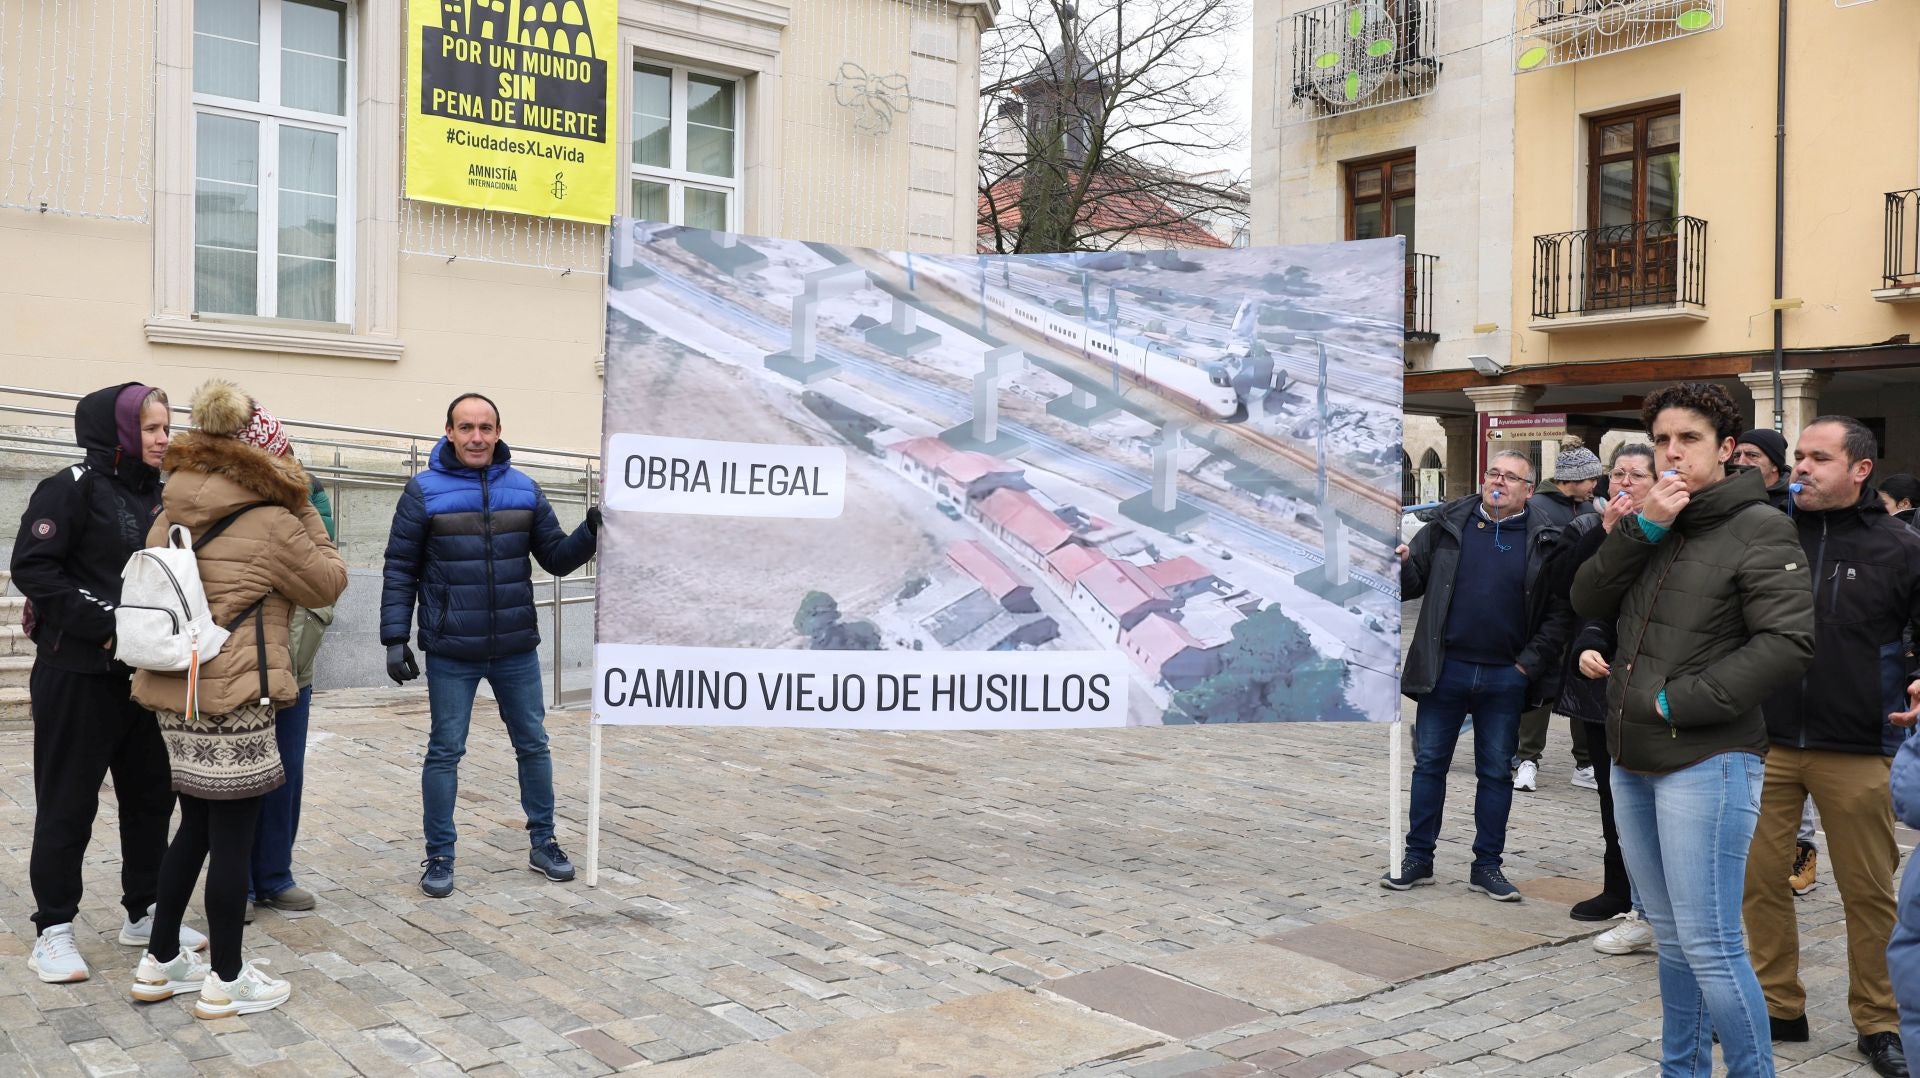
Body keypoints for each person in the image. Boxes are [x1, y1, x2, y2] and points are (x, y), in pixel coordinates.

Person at [1572, 381, 1814, 1077]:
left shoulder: (1760, 526)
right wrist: (1639, 528)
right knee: (1673, 941)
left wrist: (1679, 703)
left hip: (1707, 756)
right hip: (1631, 754)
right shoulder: (1656, 519)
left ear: (1727, 449)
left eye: (1690, 440)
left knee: (1710, 944)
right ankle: (1683, 1072)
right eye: (1663, 442)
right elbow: (1587, 596)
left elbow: (1788, 642)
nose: (1673, 454)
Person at [128, 381, 347, 1019]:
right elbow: (328, 583)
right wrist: (300, 500)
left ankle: (160, 959)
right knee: (232, 837)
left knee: (194, 825)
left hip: (179, 687)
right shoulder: (274, 518)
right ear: (265, 454)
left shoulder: (171, 506)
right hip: (239, 691)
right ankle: (226, 977)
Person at [11, 383, 209, 983]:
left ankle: (144, 910)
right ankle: (53, 928)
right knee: (68, 801)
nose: (163, 438)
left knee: (151, 799)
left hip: (147, 678)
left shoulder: (164, 494)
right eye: (150, 428)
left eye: (165, 427)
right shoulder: (71, 487)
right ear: (118, 431)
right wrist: (106, 627)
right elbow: (33, 567)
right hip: (78, 675)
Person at [1743, 416, 1919, 1076]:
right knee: (1759, 883)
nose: (1801, 468)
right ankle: (1778, 1005)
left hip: (1860, 744)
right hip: (1764, 740)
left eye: (1819, 457)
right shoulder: (1766, 533)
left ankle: (1879, 1022)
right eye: (1799, 457)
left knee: (1870, 892)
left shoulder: (1901, 545)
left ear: (1861, 469)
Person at [380, 393, 599, 899]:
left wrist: (590, 531)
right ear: (449, 432)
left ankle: (544, 842)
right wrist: (395, 637)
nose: (476, 437)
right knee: (445, 751)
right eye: (466, 427)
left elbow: (557, 558)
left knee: (533, 745)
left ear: (498, 432)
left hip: (515, 647)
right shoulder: (423, 492)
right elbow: (399, 568)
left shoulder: (523, 489)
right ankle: (439, 855)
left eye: (485, 427)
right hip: (452, 649)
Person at [1387, 448, 1568, 901]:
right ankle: (1418, 858)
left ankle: (1486, 865)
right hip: (1444, 670)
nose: (1499, 482)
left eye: (1511, 477)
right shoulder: (1448, 526)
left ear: (1529, 489)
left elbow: (1558, 612)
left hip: (1505, 677)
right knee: (1430, 765)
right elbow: (1410, 589)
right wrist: (1403, 561)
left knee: (1494, 773)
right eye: (1493, 472)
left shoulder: (1546, 537)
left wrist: (1527, 664)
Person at [1551, 443, 1658, 952]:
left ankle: (1653, 903)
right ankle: (1619, 889)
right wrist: (1604, 532)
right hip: (1597, 680)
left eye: (1637, 474)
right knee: (1613, 796)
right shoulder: (1588, 526)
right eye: (1618, 473)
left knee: (1652, 796)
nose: (1625, 482)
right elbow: (1566, 585)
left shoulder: (1670, 530)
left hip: (1652, 684)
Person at [247, 469, 336, 921]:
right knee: (236, 774)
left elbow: (323, 561)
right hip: (239, 660)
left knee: (287, 770)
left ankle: (275, 875)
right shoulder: (217, 488)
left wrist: (316, 620)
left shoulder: (309, 488)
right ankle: (236, 882)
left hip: (294, 656)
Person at [1516, 441, 1603, 793]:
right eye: (1590, 477)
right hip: (1546, 610)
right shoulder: (1535, 507)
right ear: (1574, 478)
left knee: (1582, 683)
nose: (1596, 483)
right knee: (1541, 686)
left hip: (1581, 610)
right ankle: (1526, 759)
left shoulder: (1589, 507)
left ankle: (1585, 763)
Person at [1733, 427, 1793, 512]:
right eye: (1736, 456)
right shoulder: (1729, 498)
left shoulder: (1795, 502)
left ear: (1774, 464)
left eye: (1752, 455)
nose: (1741, 462)